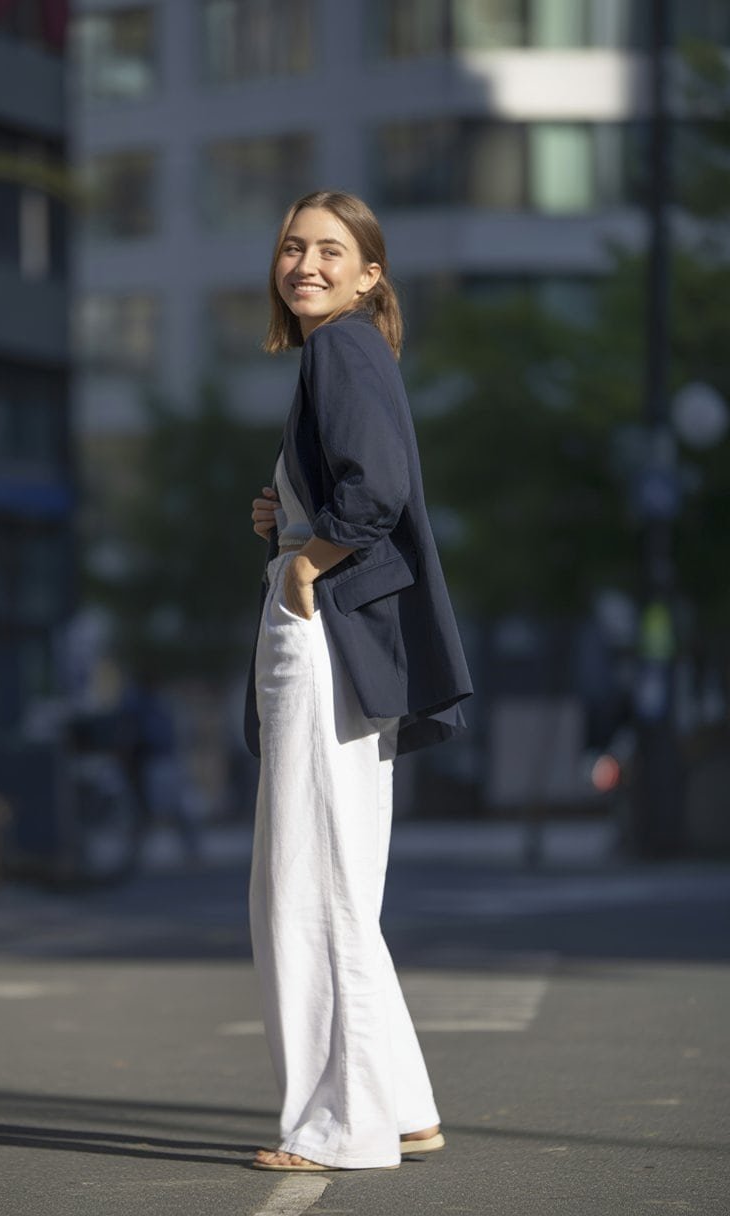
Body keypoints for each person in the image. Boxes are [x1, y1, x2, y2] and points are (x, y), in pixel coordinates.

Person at [246, 191, 472, 1173]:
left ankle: (340, 1125)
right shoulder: (345, 354)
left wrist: (305, 567)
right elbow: (356, 481)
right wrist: (286, 517)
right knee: (334, 878)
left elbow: (373, 491)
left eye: (330, 250)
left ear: (369, 273)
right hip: (343, 629)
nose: (306, 263)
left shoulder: (341, 347)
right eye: (293, 246)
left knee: (306, 886)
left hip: (327, 632)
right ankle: (402, 1105)